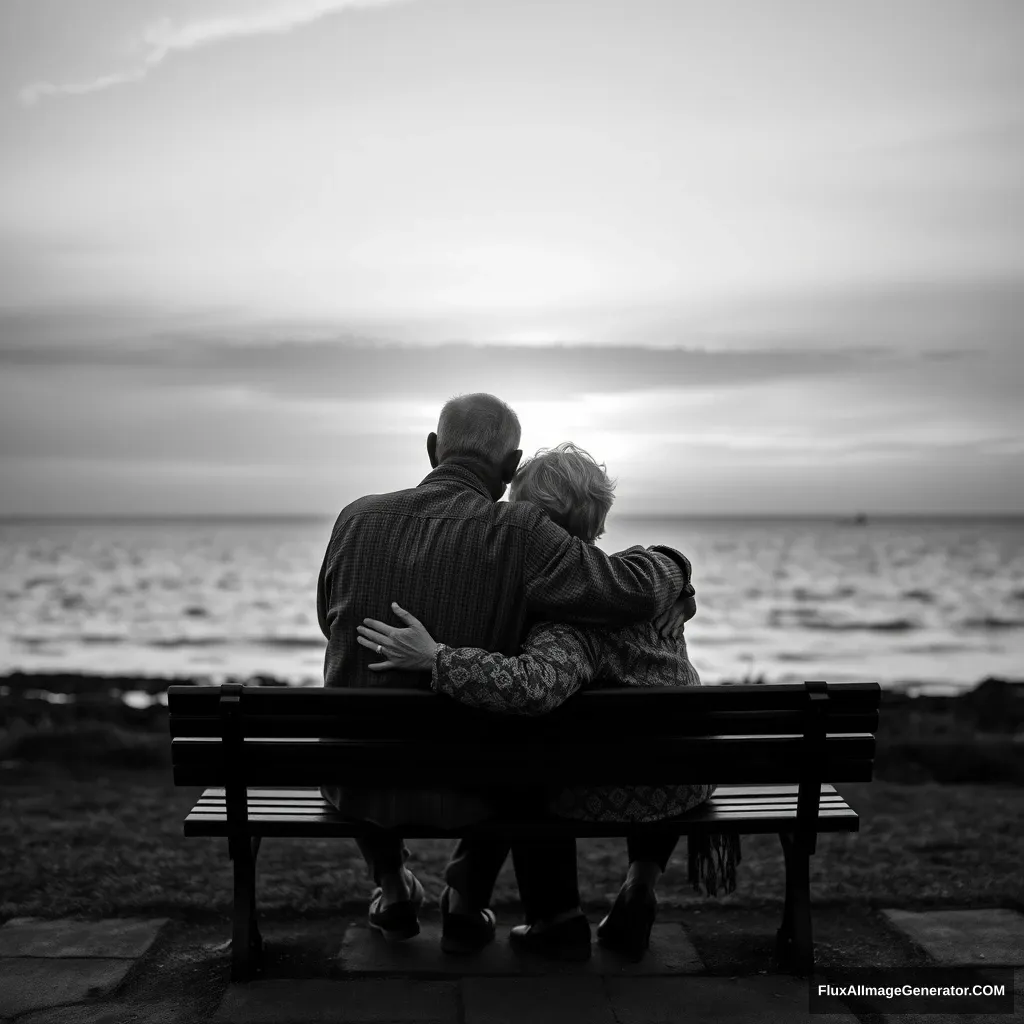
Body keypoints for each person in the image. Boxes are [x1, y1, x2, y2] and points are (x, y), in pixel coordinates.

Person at [317, 395, 696, 951]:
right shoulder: (519, 534)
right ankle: (474, 901)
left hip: (356, 780)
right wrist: (675, 568)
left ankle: (395, 884)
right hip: (470, 784)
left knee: (366, 688)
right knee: (519, 751)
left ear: (431, 449)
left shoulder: (354, 518)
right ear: (509, 463)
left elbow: (331, 623)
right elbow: (624, 591)